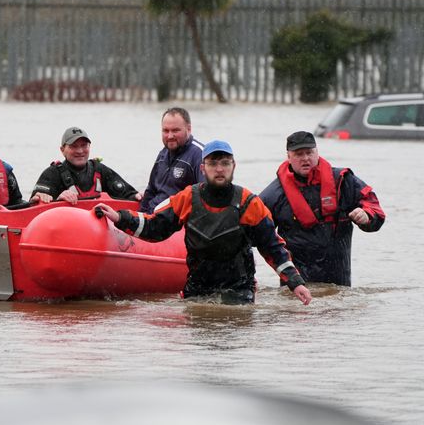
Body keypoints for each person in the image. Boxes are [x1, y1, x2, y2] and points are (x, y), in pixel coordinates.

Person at [95, 140, 312, 306]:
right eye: (213, 163)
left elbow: (272, 247)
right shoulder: (187, 197)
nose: (219, 169)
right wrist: (120, 218)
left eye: (225, 163)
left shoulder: (249, 202)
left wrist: (295, 282)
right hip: (198, 287)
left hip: (238, 289)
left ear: (233, 166)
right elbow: (156, 228)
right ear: (202, 167)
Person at [259, 131, 386, 287]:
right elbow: (252, 231)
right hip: (297, 286)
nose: (305, 158)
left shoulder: (343, 181)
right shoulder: (274, 194)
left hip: (339, 282)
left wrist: (367, 216)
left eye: (309, 152)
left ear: (317, 152)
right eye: (299, 154)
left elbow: (375, 209)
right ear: (288, 157)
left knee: (337, 305)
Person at [31, 126, 141, 205]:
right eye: (74, 146)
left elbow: (129, 195)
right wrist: (58, 199)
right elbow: (33, 205)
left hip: (96, 230)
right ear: (62, 150)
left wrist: (138, 196)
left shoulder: (100, 170)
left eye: (84, 146)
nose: (80, 151)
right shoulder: (52, 174)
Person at [139, 107, 204, 213]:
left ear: (189, 129)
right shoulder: (162, 154)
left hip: (176, 222)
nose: (169, 136)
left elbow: (207, 197)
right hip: (153, 217)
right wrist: (140, 215)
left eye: (175, 130)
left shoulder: (200, 155)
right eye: (165, 130)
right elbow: (151, 190)